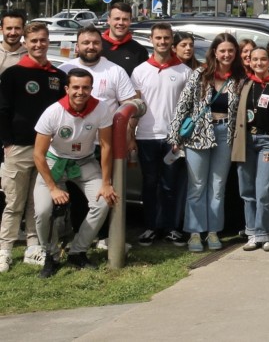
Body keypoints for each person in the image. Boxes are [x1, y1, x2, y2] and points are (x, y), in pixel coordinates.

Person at [30, 69, 118, 276]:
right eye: (76, 87)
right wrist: (52, 188)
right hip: (55, 162)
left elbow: (106, 147)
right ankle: (50, 255)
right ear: (67, 89)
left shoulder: (101, 108)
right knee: (42, 211)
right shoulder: (53, 112)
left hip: (84, 161)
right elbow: (38, 155)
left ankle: (78, 251)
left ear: (91, 89)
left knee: (104, 201)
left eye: (85, 87)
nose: (80, 92)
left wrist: (106, 183)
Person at [169, 32, 246, 252]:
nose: (227, 54)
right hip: (198, 134)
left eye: (231, 50)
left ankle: (213, 231)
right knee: (197, 185)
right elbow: (183, 105)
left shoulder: (239, 77)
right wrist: (175, 136)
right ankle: (194, 233)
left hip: (225, 134)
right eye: (222, 50)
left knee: (218, 187)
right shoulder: (200, 74)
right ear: (214, 52)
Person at [0, 22, 67, 271]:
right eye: (34, 41)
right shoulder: (12, 75)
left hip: (49, 151)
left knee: (37, 203)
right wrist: (7, 143)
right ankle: (4, 249)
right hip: (18, 147)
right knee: (14, 201)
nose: (38, 45)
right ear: (26, 44)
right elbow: (3, 111)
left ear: (49, 42)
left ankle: (33, 245)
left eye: (43, 40)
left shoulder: (58, 77)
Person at [130, 22, 191, 247]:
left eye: (166, 38)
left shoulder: (185, 71)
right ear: (151, 40)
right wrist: (130, 136)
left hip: (172, 138)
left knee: (171, 184)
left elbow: (189, 108)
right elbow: (135, 107)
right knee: (150, 183)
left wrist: (181, 137)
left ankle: (172, 228)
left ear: (171, 40)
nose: (162, 42)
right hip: (146, 136)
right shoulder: (140, 71)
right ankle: (151, 227)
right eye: (158, 38)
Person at [233, 47, 269, 251]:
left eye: (263, 59)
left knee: (265, 190)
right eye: (254, 59)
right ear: (249, 61)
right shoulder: (245, 84)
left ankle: (266, 233)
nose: (258, 63)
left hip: (268, 143)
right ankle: (251, 232)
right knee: (247, 190)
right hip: (246, 142)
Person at [100, 2, 149, 76]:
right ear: (108, 20)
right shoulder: (96, 47)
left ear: (130, 21)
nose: (121, 23)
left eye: (125, 19)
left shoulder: (139, 51)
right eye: (117, 18)